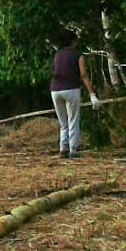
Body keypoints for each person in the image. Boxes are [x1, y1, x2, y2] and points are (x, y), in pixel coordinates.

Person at [49, 29, 98, 159]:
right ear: (73, 41)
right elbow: (83, 74)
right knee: (73, 120)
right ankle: (73, 150)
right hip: (71, 89)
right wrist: (92, 94)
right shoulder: (78, 55)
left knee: (63, 122)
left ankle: (63, 148)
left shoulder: (57, 55)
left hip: (55, 89)